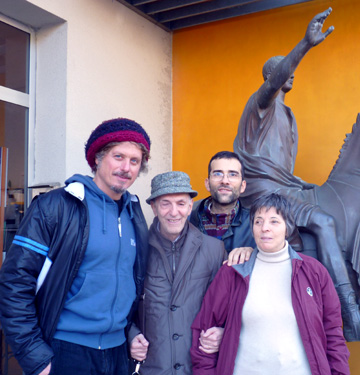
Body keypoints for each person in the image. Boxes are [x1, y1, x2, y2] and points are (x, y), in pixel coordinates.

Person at [233, 7, 360, 348]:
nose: (287, 75)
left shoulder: (287, 115)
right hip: (263, 193)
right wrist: (305, 44)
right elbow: (276, 81)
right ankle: (350, 314)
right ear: (270, 78)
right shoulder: (259, 105)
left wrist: (300, 183)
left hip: (284, 187)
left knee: (336, 209)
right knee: (321, 221)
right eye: (280, 71)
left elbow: (279, 167)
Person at [0, 118, 151, 375]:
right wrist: (35, 357)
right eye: (118, 156)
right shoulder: (55, 206)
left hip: (117, 353)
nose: (126, 167)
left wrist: (129, 331)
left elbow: (126, 285)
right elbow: (15, 282)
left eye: (134, 161)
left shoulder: (134, 213)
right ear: (98, 158)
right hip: (65, 351)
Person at [191, 193, 350, 375]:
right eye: (258, 221)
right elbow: (204, 331)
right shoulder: (232, 272)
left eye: (274, 221)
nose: (265, 228)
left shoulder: (314, 272)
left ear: (287, 228)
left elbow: (333, 333)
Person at [129, 171, 226, 375]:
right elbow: (121, 304)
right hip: (152, 368)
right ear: (154, 207)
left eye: (181, 203)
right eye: (165, 204)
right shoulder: (135, 250)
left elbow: (226, 308)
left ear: (190, 207)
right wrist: (131, 335)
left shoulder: (214, 250)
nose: (174, 212)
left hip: (198, 368)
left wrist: (222, 331)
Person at [189, 151, 256, 254]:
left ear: (242, 186)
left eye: (233, 174)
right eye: (218, 174)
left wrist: (255, 253)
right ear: (207, 183)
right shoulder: (187, 218)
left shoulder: (255, 223)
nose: (225, 181)